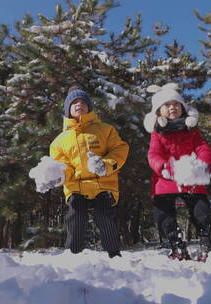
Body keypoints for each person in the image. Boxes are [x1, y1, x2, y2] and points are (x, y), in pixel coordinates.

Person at [31, 85, 129, 258]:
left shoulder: (105, 130)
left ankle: (114, 255)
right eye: (74, 102)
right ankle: (73, 256)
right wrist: (59, 176)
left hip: (103, 184)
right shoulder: (59, 141)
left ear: (89, 107)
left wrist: (105, 165)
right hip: (76, 187)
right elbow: (64, 165)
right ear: (68, 109)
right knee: (75, 218)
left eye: (83, 101)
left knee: (105, 216)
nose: (79, 104)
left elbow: (120, 149)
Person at [143, 83, 211, 262]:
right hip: (166, 177)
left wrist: (203, 164)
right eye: (166, 105)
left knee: (202, 211)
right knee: (162, 212)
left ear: (183, 108)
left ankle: (206, 242)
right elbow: (153, 154)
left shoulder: (192, 130)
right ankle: (176, 244)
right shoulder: (157, 133)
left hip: (191, 176)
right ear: (159, 111)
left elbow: (203, 148)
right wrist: (162, 167)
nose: (172, 108)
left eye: (176, 104)